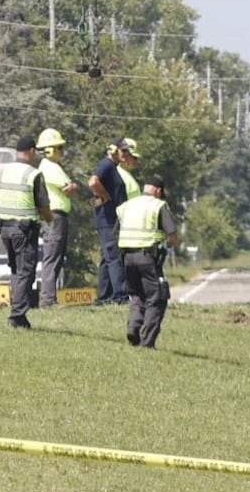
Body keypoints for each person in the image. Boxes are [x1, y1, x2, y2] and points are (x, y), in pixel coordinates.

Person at [0, 135, 52, 330]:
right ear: (31, 151)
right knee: (26, 272)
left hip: (5, 230)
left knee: (16, 271)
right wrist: (49, 219)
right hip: (24, 230)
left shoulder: (2, 171)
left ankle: (18, 314)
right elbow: (43, 206)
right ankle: (17, 316)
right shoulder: (32, 174)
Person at [116, 177, 179, 349]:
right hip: (148, 257)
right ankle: (147, 342)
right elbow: (172, 235)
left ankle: (133, 328)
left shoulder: (126, 206)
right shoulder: (158, 206)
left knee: (137, 295)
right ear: (158, 191)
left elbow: (118, 230)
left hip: (127, 258)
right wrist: (168, 244)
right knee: (157, 297)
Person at [88, 137, 141, 305]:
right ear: (113, 150)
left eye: (127, 151)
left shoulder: (112, 167)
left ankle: (104, 297)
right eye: (123, 151)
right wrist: (105, 197)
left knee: (106, 258)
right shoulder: (106, 165)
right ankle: (120, 296)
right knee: (114, 257)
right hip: (108, 219)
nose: (126, 154)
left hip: (111, 218)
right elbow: (93, 182)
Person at [34, 127, 80, 309]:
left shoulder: (52, 167)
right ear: (50, 149)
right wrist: (73, 186)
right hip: (54, 216)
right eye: (59, 147)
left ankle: (49, 298)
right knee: (52, 257)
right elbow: (68, 188)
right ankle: (47, 300)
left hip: (56, 216)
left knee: (55, 257)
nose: (63, 151)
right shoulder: (49, 167)